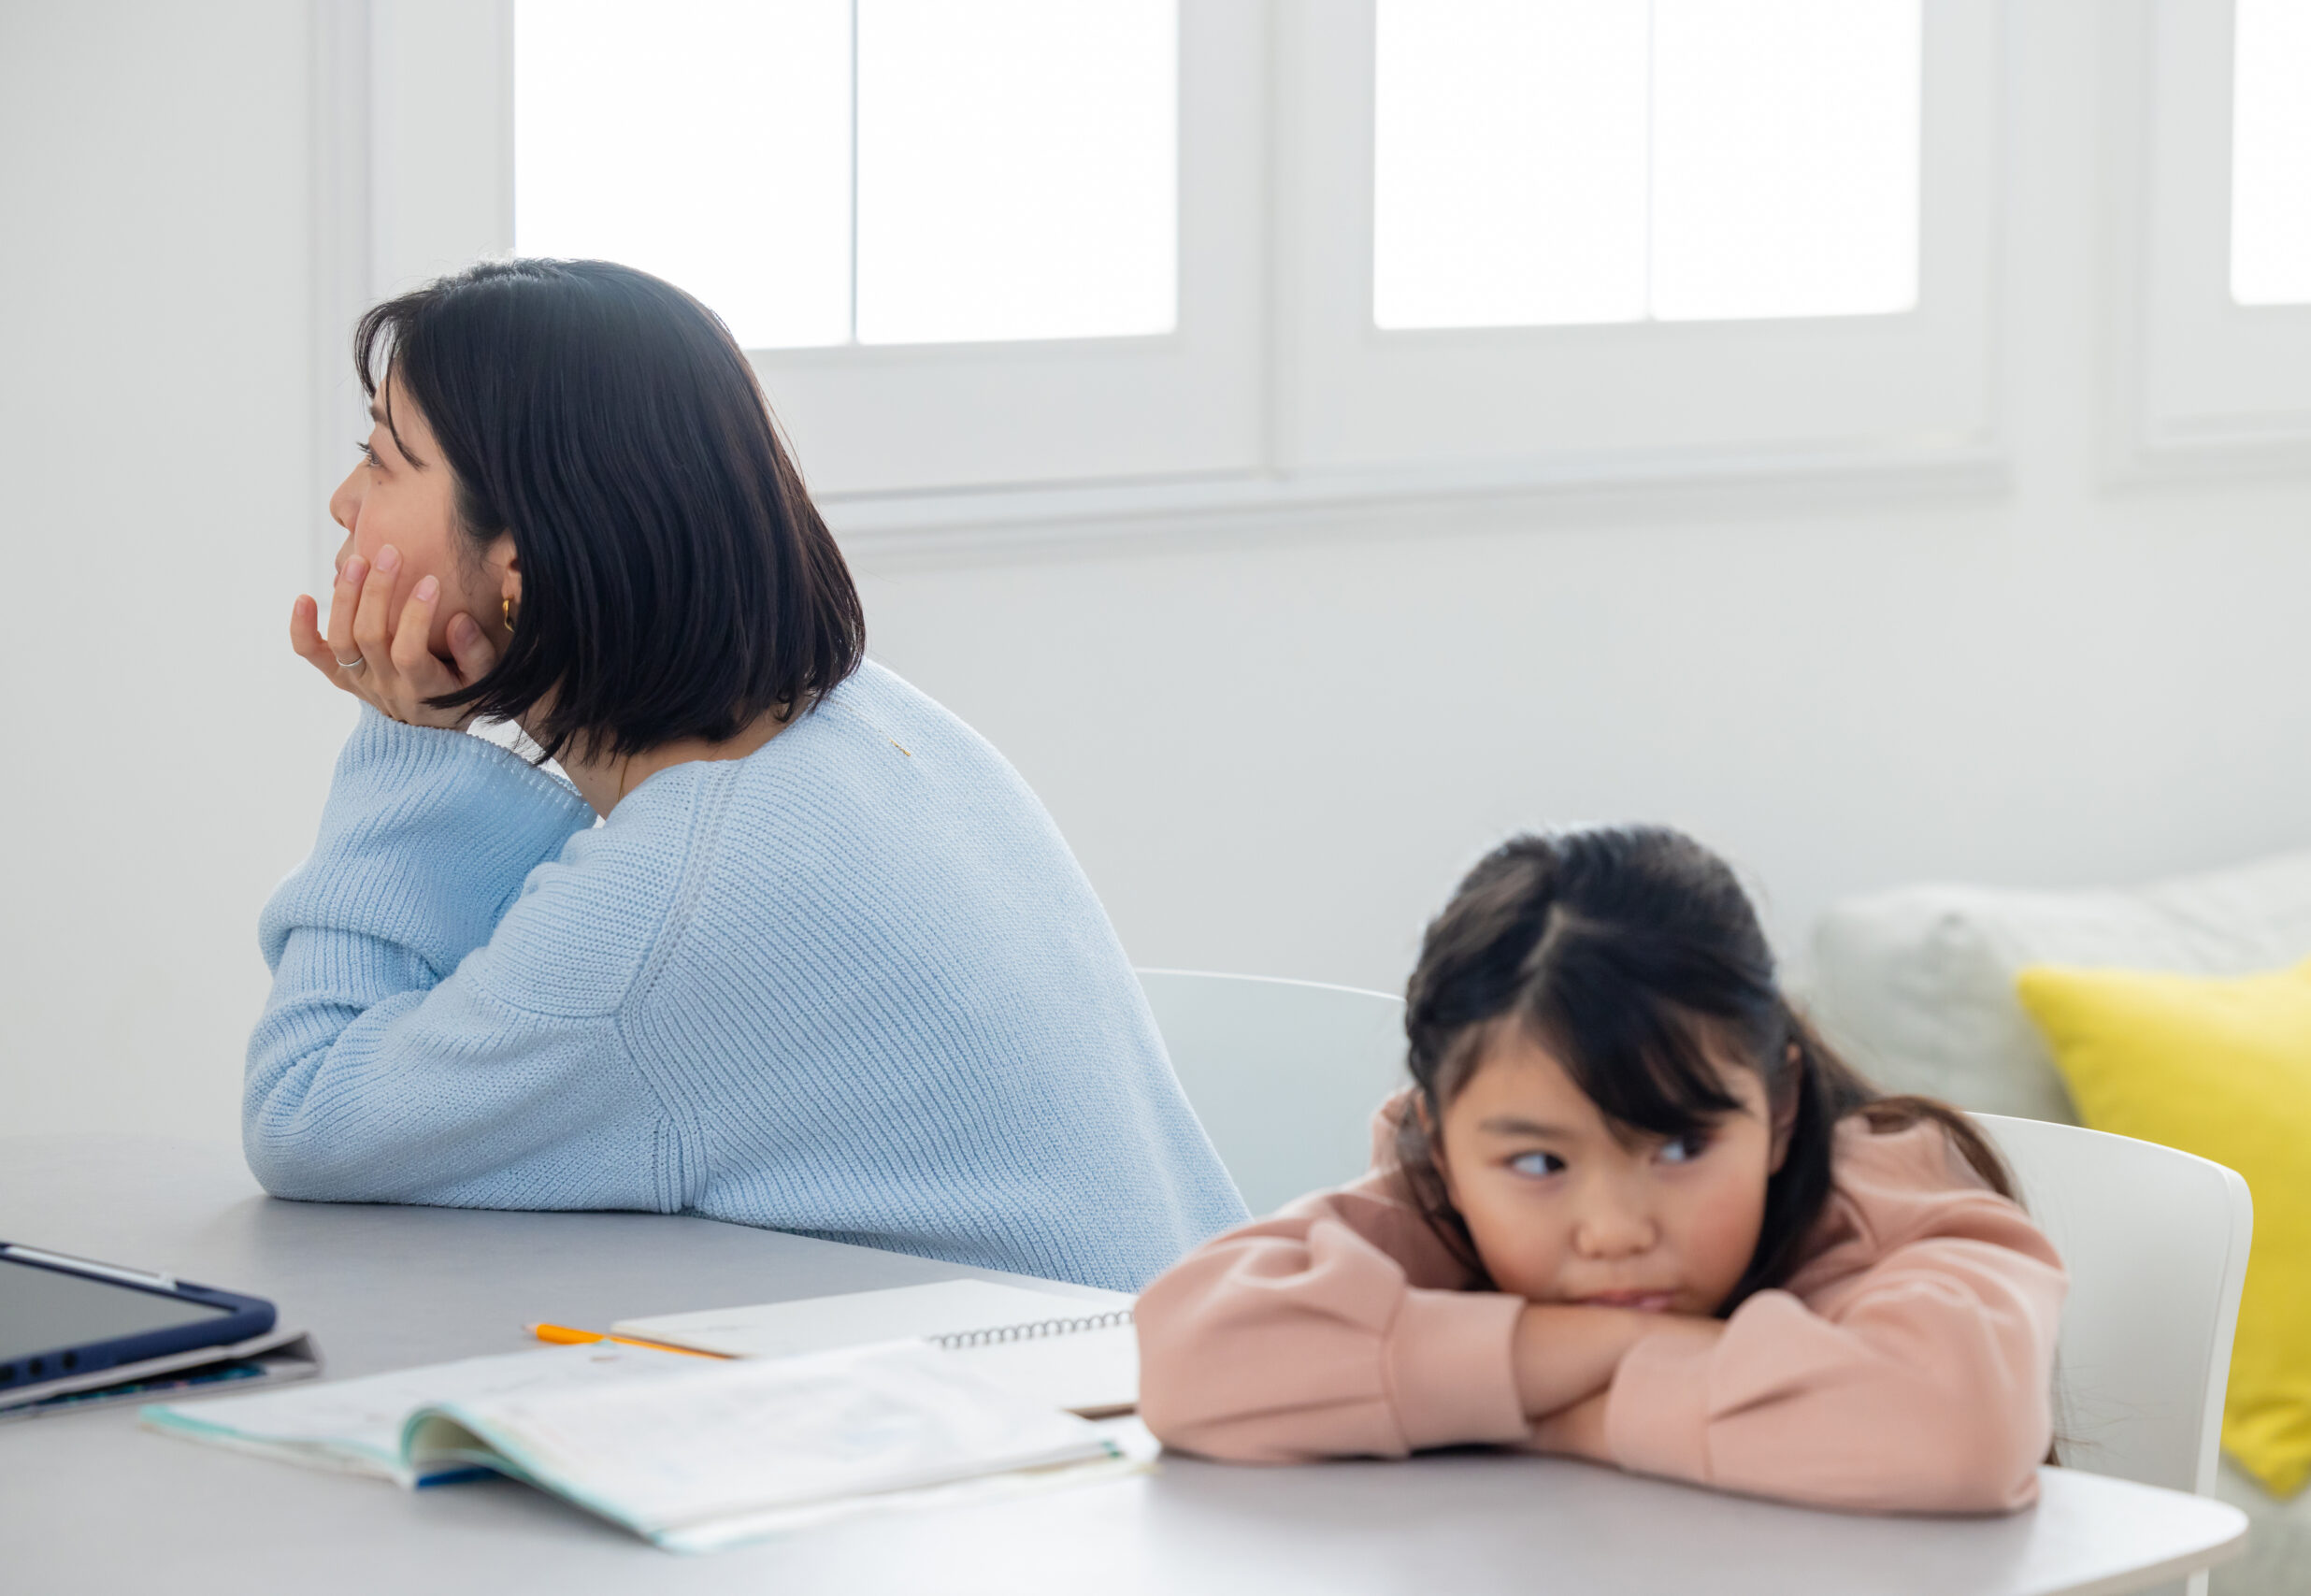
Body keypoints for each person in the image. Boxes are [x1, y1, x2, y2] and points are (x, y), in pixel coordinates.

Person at [253, 258, 1243, 1292]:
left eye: (381, 461)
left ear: (521, 568)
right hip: (1162, 1372)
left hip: (1070, 1425)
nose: (341, 502)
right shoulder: (869, 724)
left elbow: (305, 1112)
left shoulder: (676, 904)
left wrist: (413, 745)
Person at [1135, 827, 2065, 1512]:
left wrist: (1520, 1408)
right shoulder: (1441, 1195)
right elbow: (1192, 1362)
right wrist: (1616, 1352)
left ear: (1779, 1111)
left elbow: (1959, 1433)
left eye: (1676, 1147)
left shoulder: (1877, 1199)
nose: (1615, 1229)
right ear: (1443, 1148)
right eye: (1539, 1162)